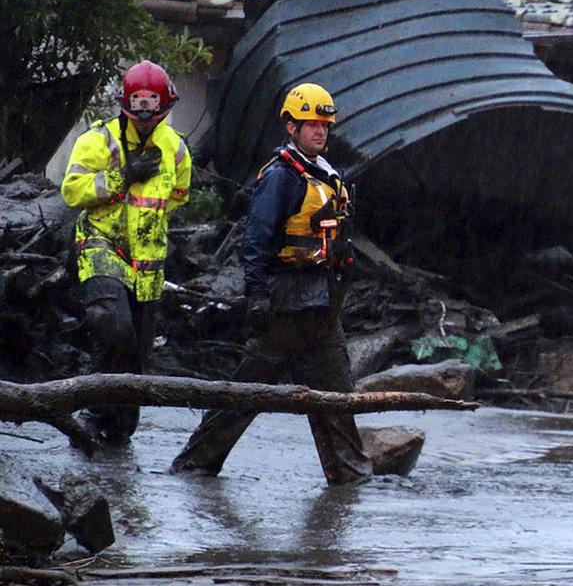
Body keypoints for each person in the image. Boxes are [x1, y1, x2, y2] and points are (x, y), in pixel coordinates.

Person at [170, 83, 371, 485]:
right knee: (247, 394)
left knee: (337, 396)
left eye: (325, 126)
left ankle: (351, 479)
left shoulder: (327, 176)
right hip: (284, 304)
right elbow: (257, 240)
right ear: (291, 127)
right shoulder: (281, 177)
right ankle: (193, 466)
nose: (320, 132)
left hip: (321, 305)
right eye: (311, 124)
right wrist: (257, 296)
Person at [61, 60, 190, 446]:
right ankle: (89, 412)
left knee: (135, 350)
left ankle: (117, 430)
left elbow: (178, 197)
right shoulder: (98, 140)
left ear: (164, 105)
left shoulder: (176, 149)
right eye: (140, 104)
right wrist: (124, 176)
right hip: (100, 245)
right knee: (112, 325)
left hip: (147, 261)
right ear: (126, 105)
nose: (147, 113)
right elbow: (73, 191)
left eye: (153, 104)